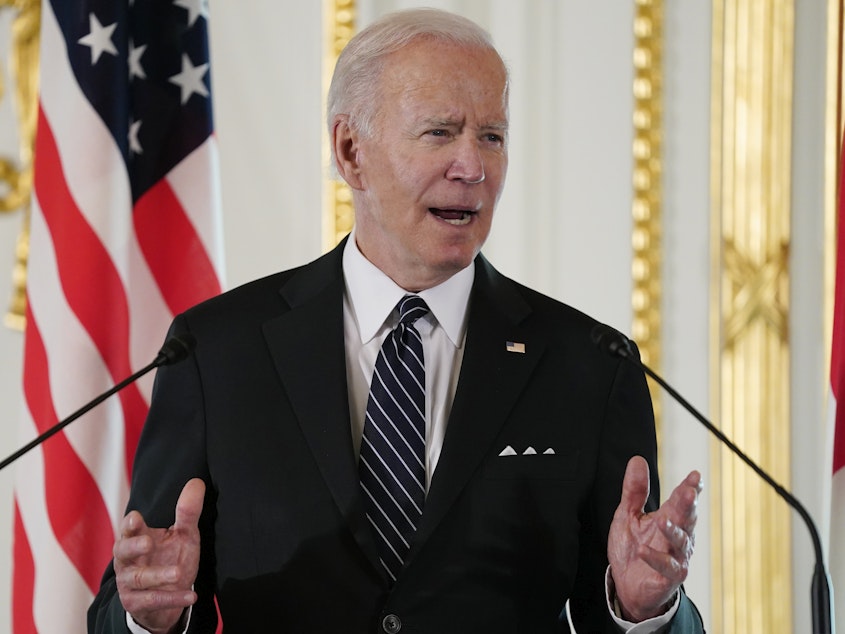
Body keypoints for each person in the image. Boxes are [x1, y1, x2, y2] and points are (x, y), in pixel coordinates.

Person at [88, 7, 704, 633]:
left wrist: (643, 609)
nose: (474, 167)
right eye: (440, 133)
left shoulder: (591, 366)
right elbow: (118, 613)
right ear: (351, 151)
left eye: (492, 136)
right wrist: (150, 618)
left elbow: (629, 600)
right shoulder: (217, 352)